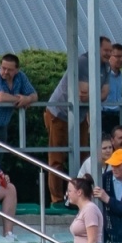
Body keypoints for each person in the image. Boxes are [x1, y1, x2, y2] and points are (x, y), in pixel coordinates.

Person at [43, 73, 89, 207]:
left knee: (84, 157)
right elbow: (84, 95)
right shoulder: (83, 65)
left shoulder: (106, 70)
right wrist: (99, 94)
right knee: (57, 157)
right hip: (59, 113)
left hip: (80, 115)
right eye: (106, 51)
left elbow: (100, 96)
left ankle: (81, 196)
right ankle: (57, 199)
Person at [68, 174, 103, 243]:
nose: (67, 194)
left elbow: (92, 241)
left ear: (79, 192)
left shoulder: (90, 209)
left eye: (69, 191)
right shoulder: (83, 210)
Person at [101, 42, 122, 136]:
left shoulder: (120, 75)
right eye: (118, 56)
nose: (121, 59)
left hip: (117, 115)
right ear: (110, 57)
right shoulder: (102, 74)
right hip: (104, 114)